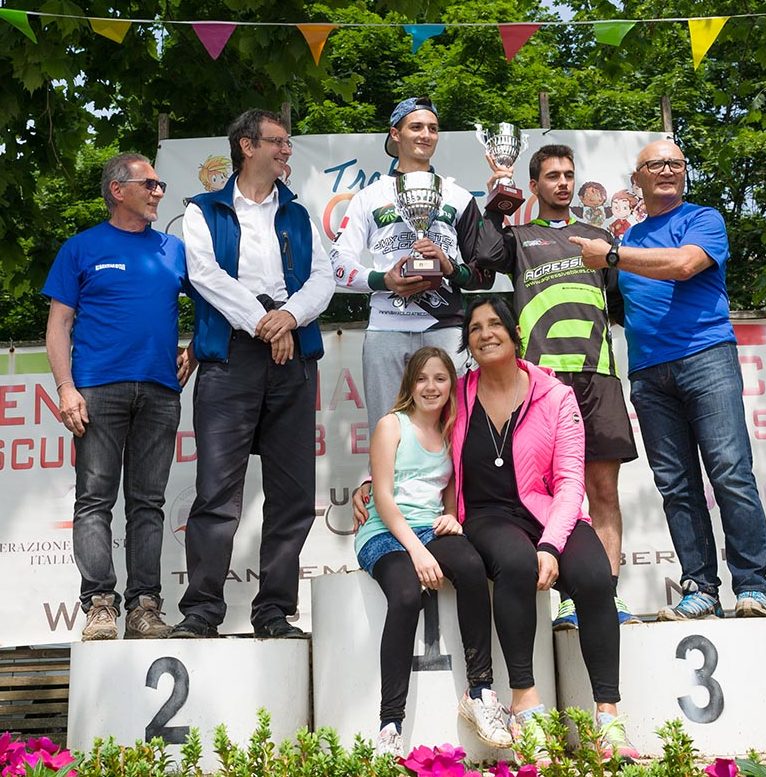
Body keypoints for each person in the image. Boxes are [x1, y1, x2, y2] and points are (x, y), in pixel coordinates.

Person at [356, 298, 638, 762]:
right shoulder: (457, 394)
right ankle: (525, 704)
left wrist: (552, 544)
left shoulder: (555, 395)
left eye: (494, 325)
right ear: (467, 342)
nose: (485, 334)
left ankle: (608, 714)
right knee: (515, 562)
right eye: (475, 328)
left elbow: (571, 482)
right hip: (487, 515)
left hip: (546, 511)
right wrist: (369, 484)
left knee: (593, 576)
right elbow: (411, 441)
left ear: (514, 333)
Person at [569, 139, 766, 620]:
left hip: (707, 358)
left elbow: (683, 265)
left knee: (730, 472)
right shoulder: (628, 239)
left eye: (675, 163)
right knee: (676, 485)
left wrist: (613, 257)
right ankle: (700, 587)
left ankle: (751, 586)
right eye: (656, 164)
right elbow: (616, 305)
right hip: (647, 373)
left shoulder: (703, 219)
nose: (666, 170)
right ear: (636, 179)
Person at [171, 109, 334, 639]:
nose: (287, 150)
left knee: (293, 494)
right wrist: (265, 322)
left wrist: (289, 317)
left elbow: (323, 278)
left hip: (293, 355)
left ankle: (274, 612)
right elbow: (204, 275)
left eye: (288, 143)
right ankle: (201, 612)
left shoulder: (299, 214)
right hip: (230, 358)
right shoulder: (203, 210)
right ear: (247, 146)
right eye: (278, 141)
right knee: (217, 491)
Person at [481, 144, 639, 629]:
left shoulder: (599, 237)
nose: (563, 183)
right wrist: (497, 198)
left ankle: (605, 595)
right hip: (543, 381)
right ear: (534, 186)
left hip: (598, 375)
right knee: (551, 493)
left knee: (603, 490)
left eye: (569, 174)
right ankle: (571, 596)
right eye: (552, 176)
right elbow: (484, 255)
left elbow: (619, 302)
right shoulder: (519, 237)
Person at [43, 152, 191, 641]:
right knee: (94, 501)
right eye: (150, 184)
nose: (158, 192)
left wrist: (195, 349)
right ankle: (99, 606)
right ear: (117, 189)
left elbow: (213, 303)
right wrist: (65, 388)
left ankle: (144, 608)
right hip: (96, 389)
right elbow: (59, 325)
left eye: (160, 185)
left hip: (160, 390)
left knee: (148, 503)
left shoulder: (173, 249)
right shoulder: (81, 247)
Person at [355, 346, 511, 757]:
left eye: (440, 378)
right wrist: (418, 553)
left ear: (450, 385)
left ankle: (480, 693)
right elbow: (383, 498)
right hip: (385, 532)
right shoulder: (392, 425)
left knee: (472, 566)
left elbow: (450, 489)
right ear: (410, 384)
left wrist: (452, 517)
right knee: (406, 595)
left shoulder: (451, 430)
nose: (431, 387)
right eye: (422, 378)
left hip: (430, 528)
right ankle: (390, 725)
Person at [330, 96, 495, 433]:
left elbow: (484, 274)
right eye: (416, 127)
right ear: (396, 134)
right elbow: (338, 263)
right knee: (387, 430)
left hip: (444, 326)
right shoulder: (369, 196)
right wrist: (383, 279)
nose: (426, 135)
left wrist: (450, 268)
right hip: (386, 325)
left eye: (433, 128)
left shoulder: (458, 196)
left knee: (454, 431)